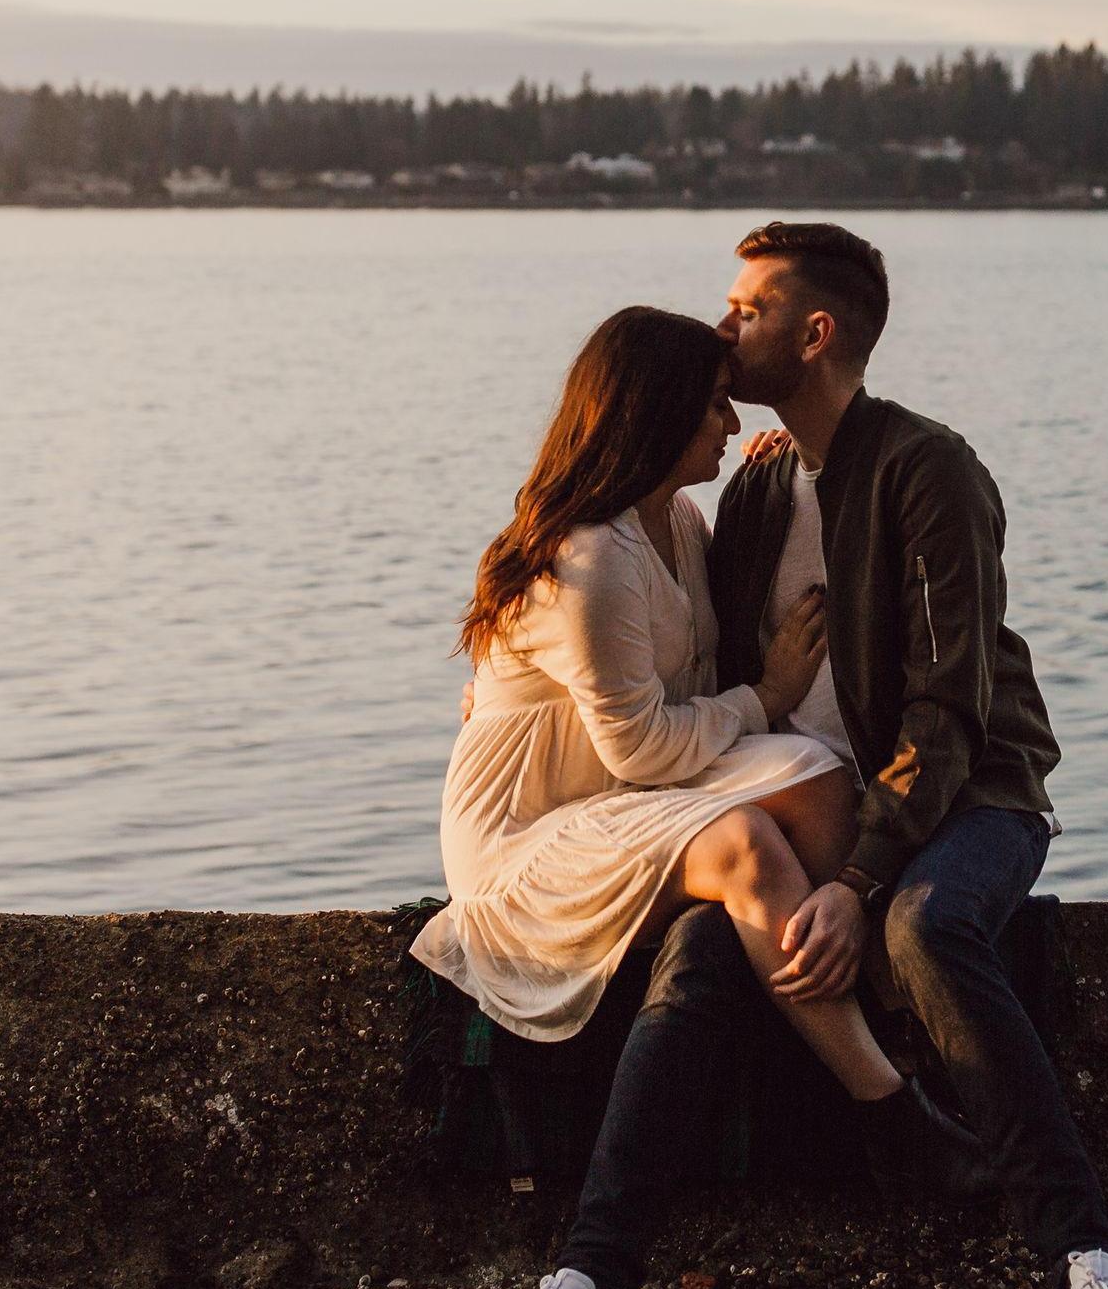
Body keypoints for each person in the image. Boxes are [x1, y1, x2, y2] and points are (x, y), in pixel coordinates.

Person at [448, 224, 1108, 1289]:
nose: (725, 327)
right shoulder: (751, 489)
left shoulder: (928, 471)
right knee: (696, 954)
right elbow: (709, 694)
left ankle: (1091, 1266)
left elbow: (945, 717)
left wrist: (856, 881)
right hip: (791, 819)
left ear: (813, 333)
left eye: (746, 309)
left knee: (923, 932)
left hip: (961, 798)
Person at [413, 306, 978, 1209]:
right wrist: (770, 696)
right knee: (752, 839)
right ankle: (891, 1108)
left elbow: (689, 677)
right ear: (654, 414)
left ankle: (843, 999)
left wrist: (776, 474)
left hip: (619, 804)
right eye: (716, 408)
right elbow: (640, 745)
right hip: (527, 839)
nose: (735, 424)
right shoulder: (587, 559)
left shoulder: (674, 518)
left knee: (812, 775)